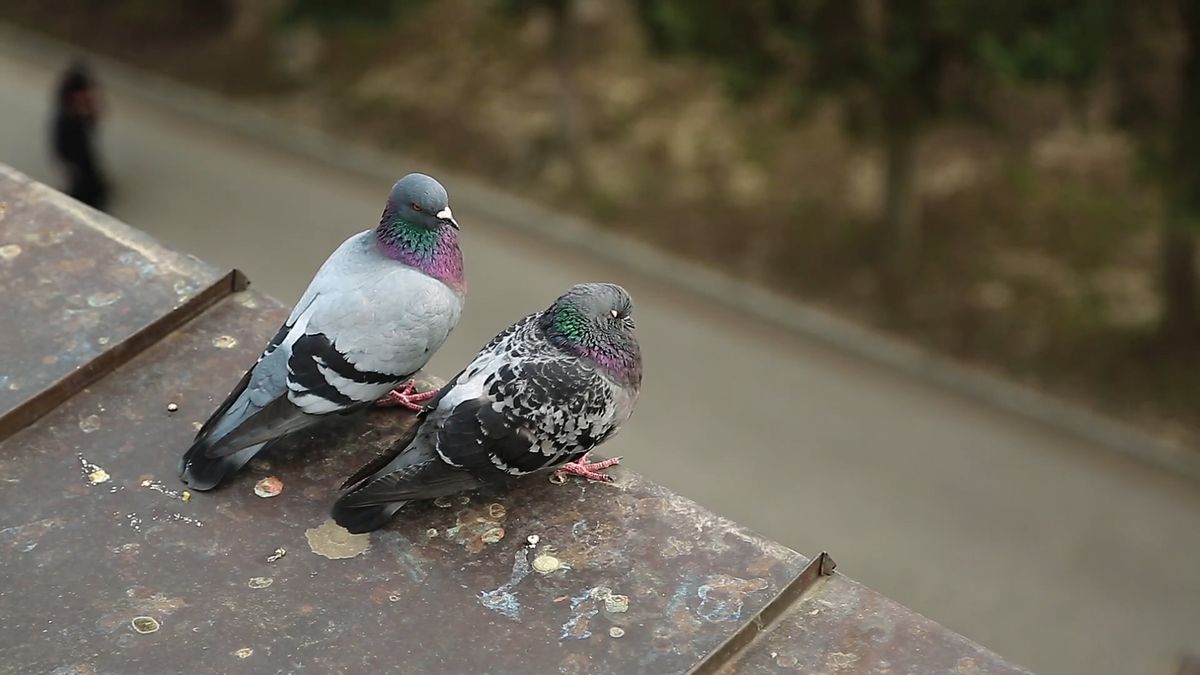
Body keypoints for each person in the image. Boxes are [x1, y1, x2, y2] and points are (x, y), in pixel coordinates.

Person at [51, 62, 109, 211]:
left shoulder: (78, 113)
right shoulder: (67, 121)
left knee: (89, 177)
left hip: (80, 150)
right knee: (84, 179)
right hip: (74, 152)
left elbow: (96, 115)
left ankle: (91, 197)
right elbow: (63, 144)